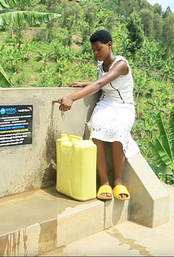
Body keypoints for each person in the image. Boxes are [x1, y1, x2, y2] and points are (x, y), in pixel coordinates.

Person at [58, 29, 140, 200]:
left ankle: (118, 182)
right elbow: (101, 83)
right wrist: (84, 84)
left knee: (118, 131)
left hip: (124, 106)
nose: (96, 53)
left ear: (109, 45)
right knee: (96, 129)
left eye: (99, 49)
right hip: (106, 103)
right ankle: (104, 183)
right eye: (93, 50)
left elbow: (102, 82)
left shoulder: (121, 64)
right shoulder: (101, 65)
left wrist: (72, 98)